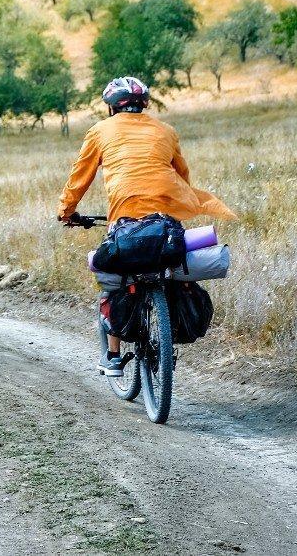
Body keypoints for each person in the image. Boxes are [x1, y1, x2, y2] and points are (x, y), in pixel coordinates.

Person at [57, 76, 236, 376]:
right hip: (165, 221)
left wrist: (67, 212)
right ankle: (167, 321)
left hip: (124, 220)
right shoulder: (167, 131)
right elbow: (182, 175)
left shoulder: (100, 131)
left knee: (114, 277)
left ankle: (113, 357)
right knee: (169, 265)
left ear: (112, 108)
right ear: (145, 105)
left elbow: (79, 178)